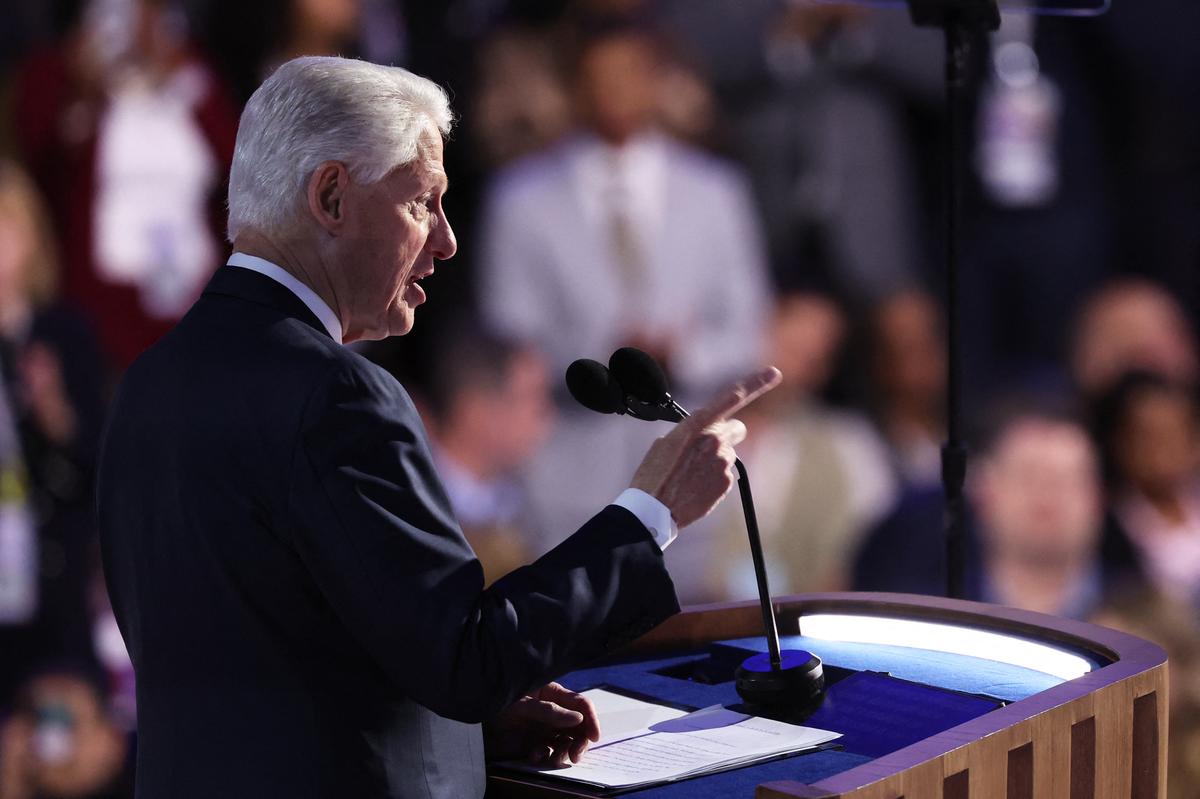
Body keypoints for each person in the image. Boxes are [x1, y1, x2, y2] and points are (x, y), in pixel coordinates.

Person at [96, 56, 779, 798]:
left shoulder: (149, 380)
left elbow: (266, 660)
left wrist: (463, 730)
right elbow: (467, 656)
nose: (447, 240)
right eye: (423, 201)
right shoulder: (338, 395)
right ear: (331, 196)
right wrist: (653, 509)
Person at [476, 18, 770, 598]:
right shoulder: (520, 197)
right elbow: (507, 332)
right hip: (564, 479)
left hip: (689, 478)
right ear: (572, 86)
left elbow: (747, 327)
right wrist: (605, 355)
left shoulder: (716, 192)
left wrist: (680, 351)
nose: (613, 92)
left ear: (658, 81)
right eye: (596, 78)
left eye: (629, 76)